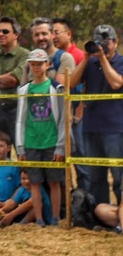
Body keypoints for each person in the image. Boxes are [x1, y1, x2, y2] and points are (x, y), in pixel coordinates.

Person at [68, 24, 123, 205]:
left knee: (118, 177)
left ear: (116, 42)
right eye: (99, 41)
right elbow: (71, 83)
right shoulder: (90, 63)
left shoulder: (120, 62)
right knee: (95, 177)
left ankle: (120, 217)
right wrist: (85, 58)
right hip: (91, 127)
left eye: (107, 41)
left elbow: (116, 83)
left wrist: (103, 59)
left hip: (115, 128)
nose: (103, 45)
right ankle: (101, 215)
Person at [14, 48, 66, 226]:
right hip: (31, 142)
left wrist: (61, 146)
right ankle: (39, 219)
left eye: (39, 64)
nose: (36, 67)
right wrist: (20, 147)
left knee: (54, 181)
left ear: (47, 64)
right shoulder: (24, 90)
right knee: (34, 183)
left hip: (51, 142)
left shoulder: (56, 88)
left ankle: (56, 218)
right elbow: (20, 120)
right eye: (33, 64)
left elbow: (63, 120)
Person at [54, 17, 89, 192]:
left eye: (57, 32)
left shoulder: (79, 55)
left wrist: (81, 108)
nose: (54, 36)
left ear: (69, 34)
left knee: (80, 157)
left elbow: (85, 85)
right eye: (51, 32)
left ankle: (85, 197)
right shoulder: (53, 57)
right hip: (58, 114)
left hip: (76, 114)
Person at [0, 17, 29, 148]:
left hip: (17, 109)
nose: (0, 34)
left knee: (22, 151)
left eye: (5, 31)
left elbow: (13, 80)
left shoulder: (25, 55)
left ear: (16, 34)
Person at [29, 17, 75, 87]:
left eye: (44, 34)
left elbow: (59, 90)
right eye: (37, 35)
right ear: (32, 37)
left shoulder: (65, 58)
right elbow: (24, 88)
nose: (40, 38)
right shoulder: (29, 59)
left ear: (53, 34)